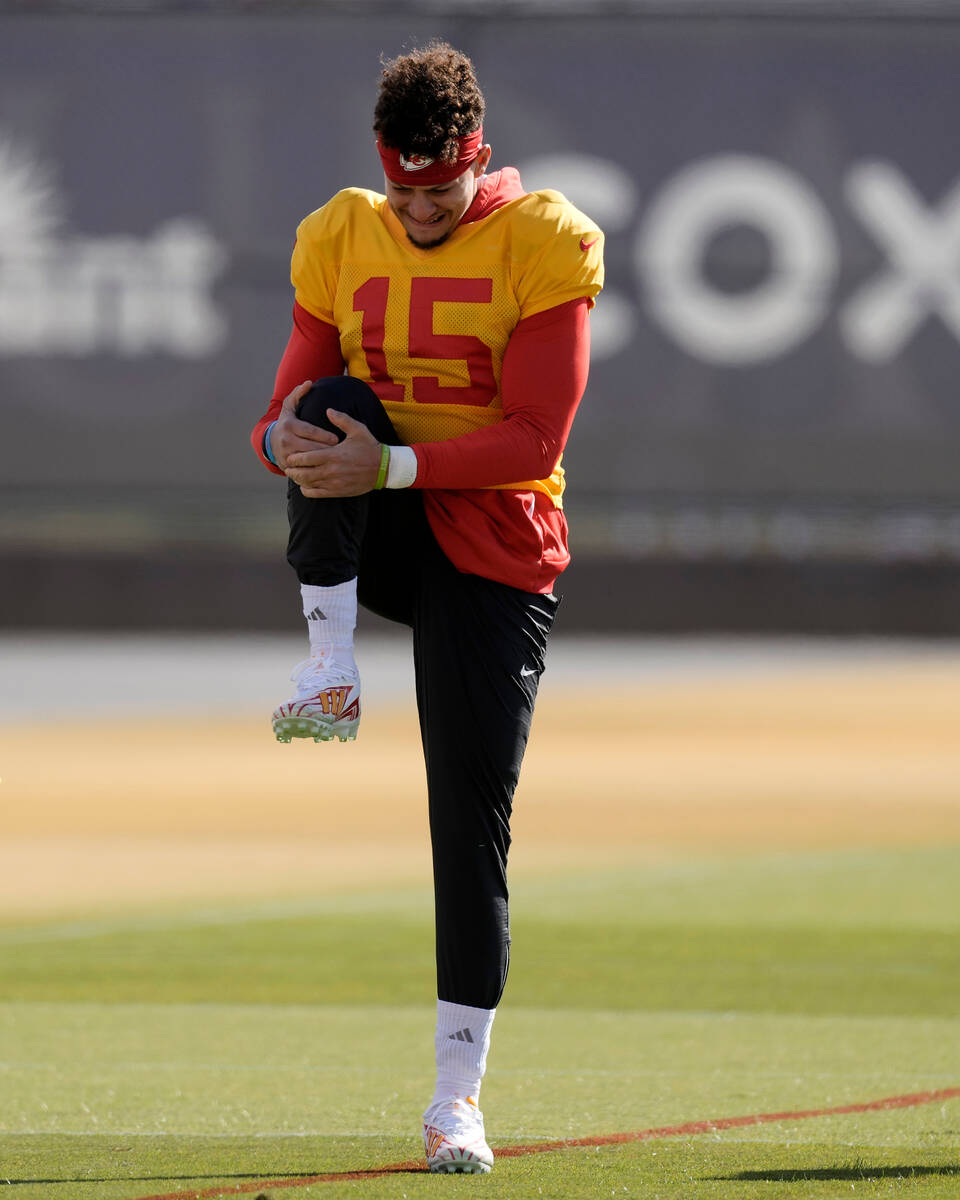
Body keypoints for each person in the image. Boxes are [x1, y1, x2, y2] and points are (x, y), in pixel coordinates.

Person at [250, 40, 603, 1175]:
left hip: (494, 547)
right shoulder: (340, 231)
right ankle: (330, 669)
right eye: (402, 190)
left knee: (469, 816)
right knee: (335, 399)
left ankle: (457, 1098)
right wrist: (287, 443)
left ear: (477, 160)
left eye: (439, 191)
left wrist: (383, 472)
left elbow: (535, 440)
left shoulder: (546, 239)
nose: (418, 210)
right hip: (384, 531)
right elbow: (276, 414)